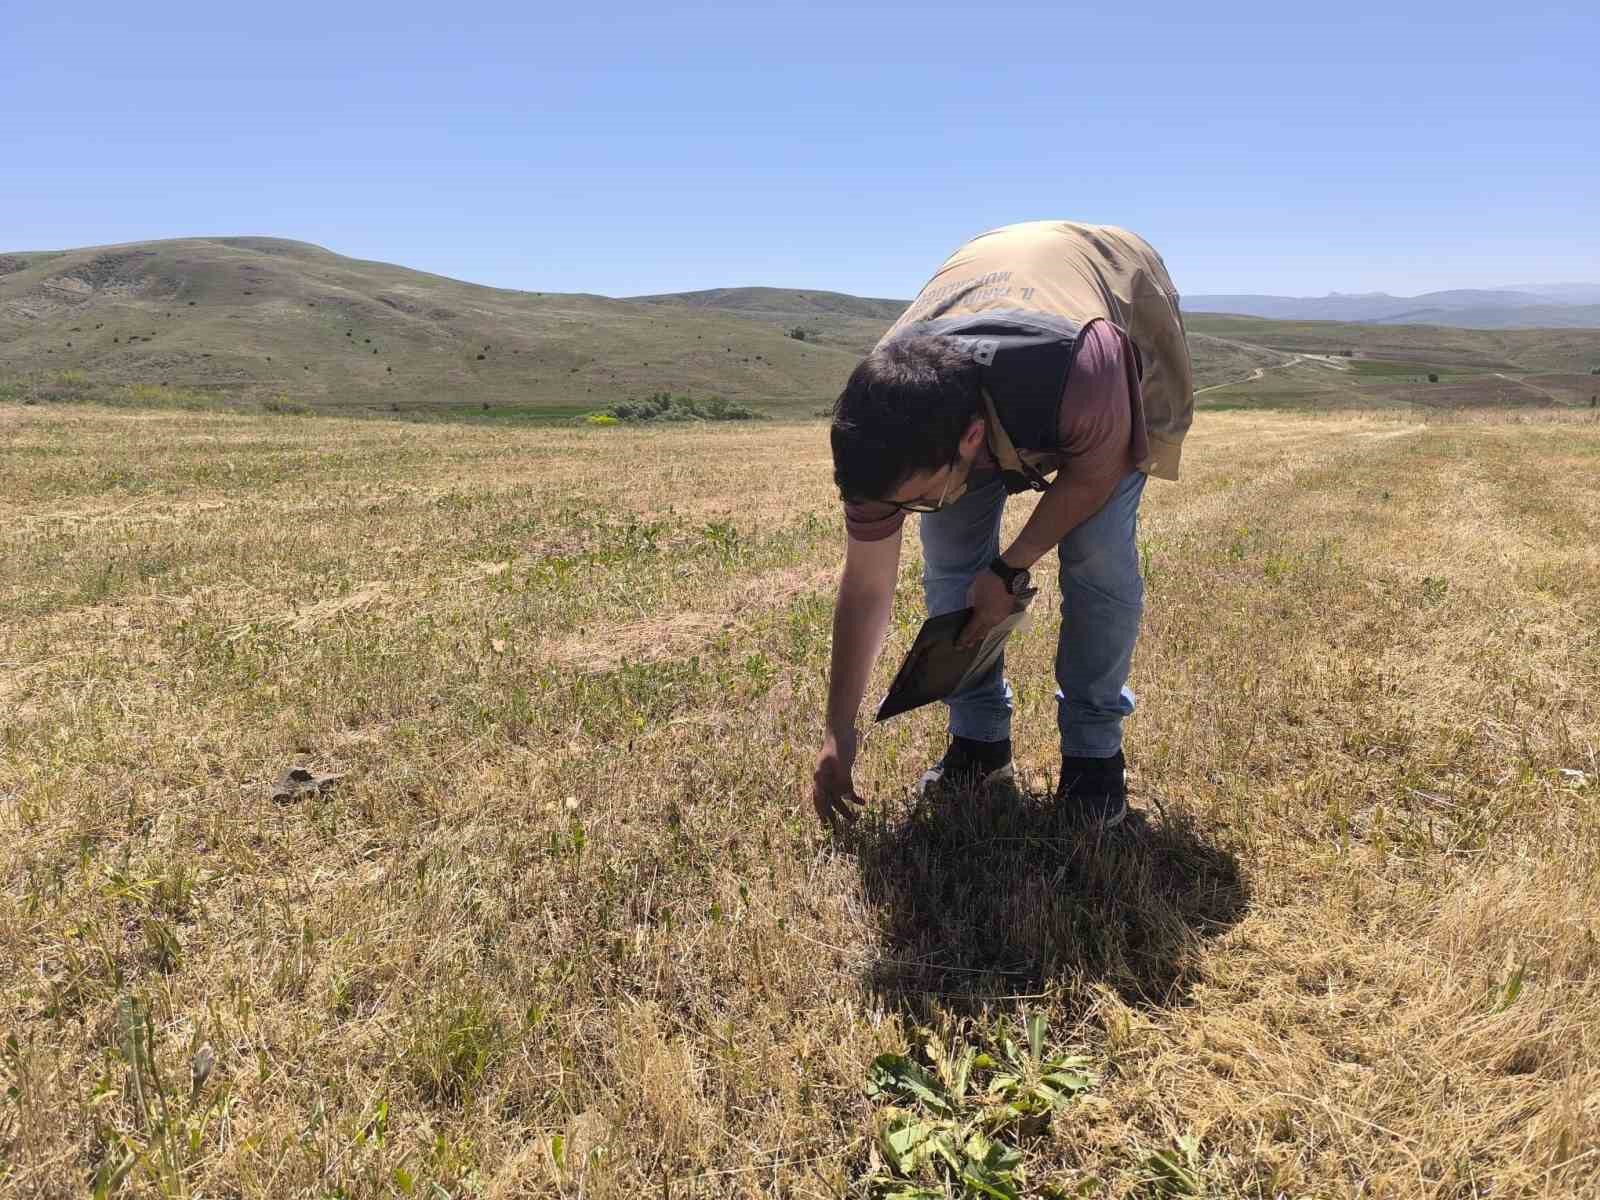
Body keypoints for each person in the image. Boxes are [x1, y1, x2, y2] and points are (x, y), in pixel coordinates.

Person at [811, 220, 1194, 831]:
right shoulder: (878, 423)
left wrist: (1010, 566)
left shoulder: (1083, 367)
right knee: (951, 564)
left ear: (970, 439)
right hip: (981, 304)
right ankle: (979, 743)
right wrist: (839, 728)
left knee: (1097, 556)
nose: (910, 511)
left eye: (919, 498)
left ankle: (1094, 756)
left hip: (1099, 306)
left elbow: (1091, 480)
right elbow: (866, 589)